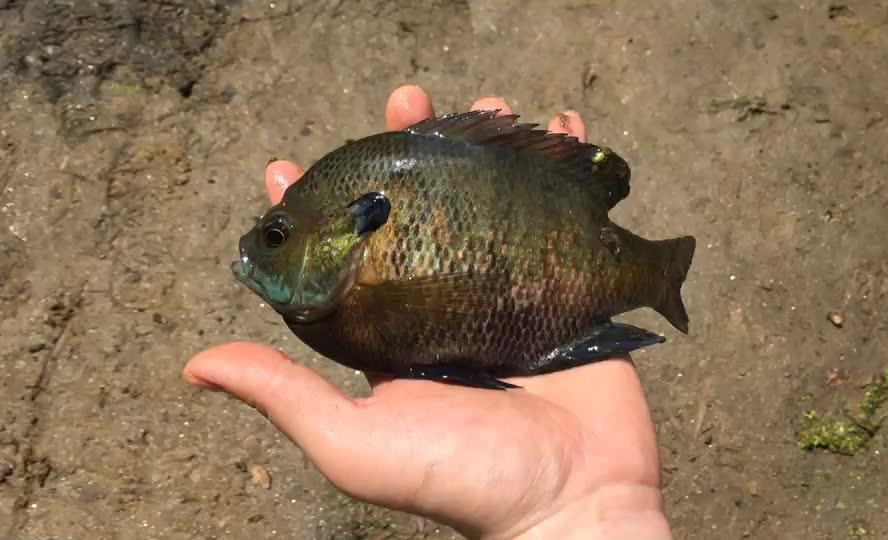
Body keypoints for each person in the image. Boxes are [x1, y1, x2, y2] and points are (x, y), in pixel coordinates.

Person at [183, 85, 673, 540]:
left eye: (277, 239)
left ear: (340, 232)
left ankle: (656, 275)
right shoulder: (345, 297)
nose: (261, 250)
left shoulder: (357, 300)